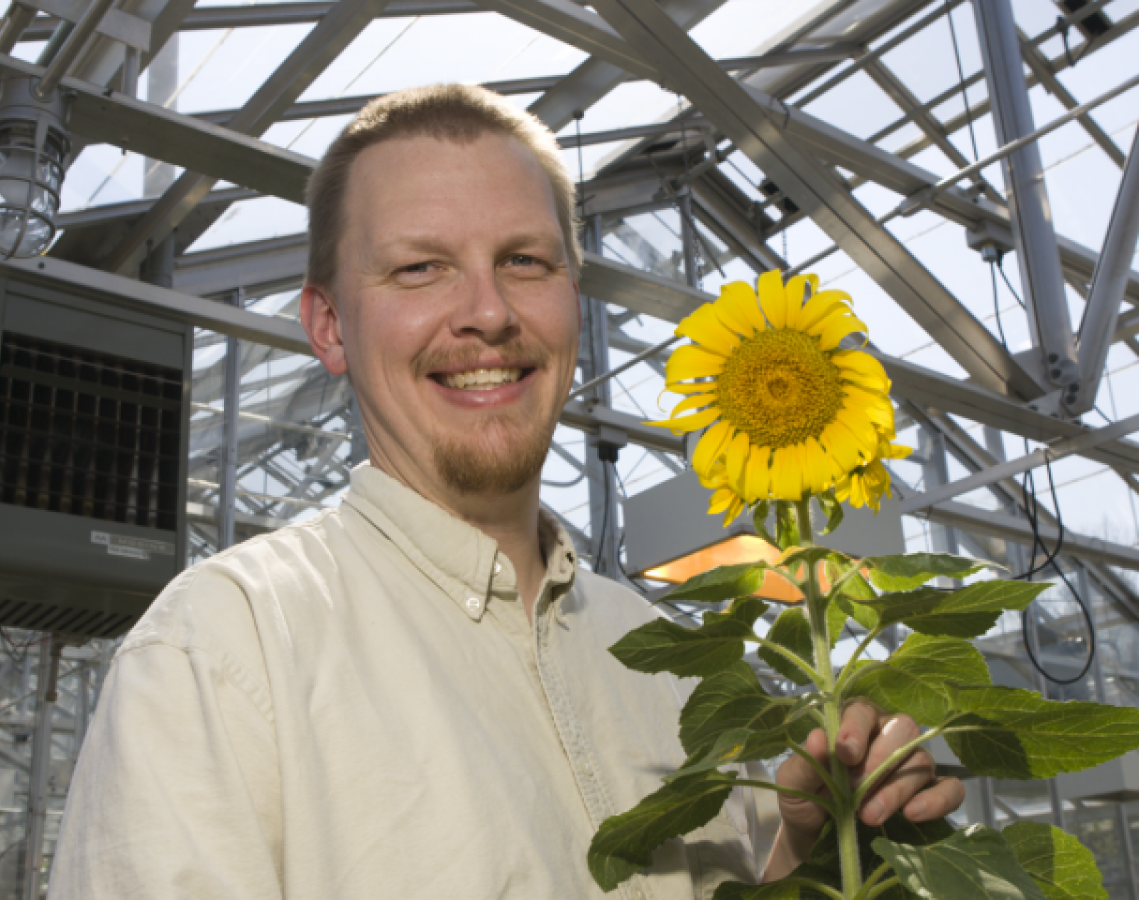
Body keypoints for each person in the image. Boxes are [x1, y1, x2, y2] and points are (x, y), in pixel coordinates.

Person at [48, 84, 963, 898]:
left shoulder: (679, 664)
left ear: (574, 297)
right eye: (419, 267)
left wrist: (805, 850)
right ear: (328, 325)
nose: (488, 312)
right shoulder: (223, 650)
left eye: (526, 260)